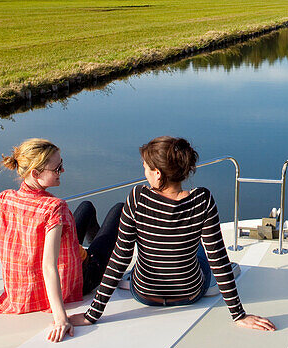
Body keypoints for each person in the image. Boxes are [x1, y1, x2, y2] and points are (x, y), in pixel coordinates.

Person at [70, 136, 275, 331]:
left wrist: (92, 315)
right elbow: (218, 258)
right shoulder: (202, 200)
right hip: (189, 293)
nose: (145, 173)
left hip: (145, 293)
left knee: (172, 247)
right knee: (202, 248)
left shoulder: (137, 197)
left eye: (146, 168)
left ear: (158, 173)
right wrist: (238, 314)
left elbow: (121, 256)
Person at [0, 138, 122, 341]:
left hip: (22, 293)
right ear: (36, 173)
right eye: (57, 168)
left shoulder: (4, 199)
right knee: (119, 209)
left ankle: (88, 251)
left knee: (86, 206)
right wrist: (61, 318)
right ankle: (100, 262)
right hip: (79, 277)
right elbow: (49, 266)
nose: (62, 171)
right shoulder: (54, 207)